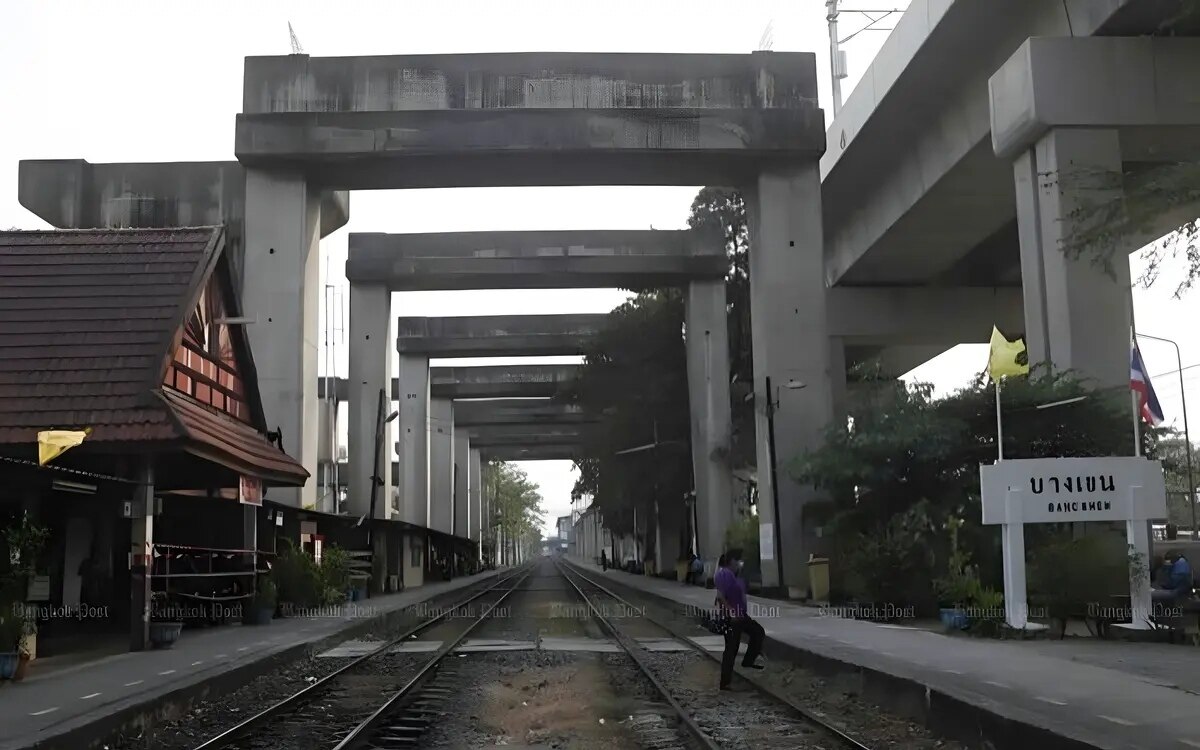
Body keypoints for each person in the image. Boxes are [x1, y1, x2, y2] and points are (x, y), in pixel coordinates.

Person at [713, 547, 765, 690]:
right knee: (731, 649)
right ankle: (725, 682)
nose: (740, 563)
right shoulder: (724, 574)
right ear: (731, 561)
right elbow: (720, 597)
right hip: (732, 617)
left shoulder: (734, 575)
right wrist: (731, 612)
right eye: (738, 560)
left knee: (758, 632)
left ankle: (748, 661)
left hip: (740, 615)